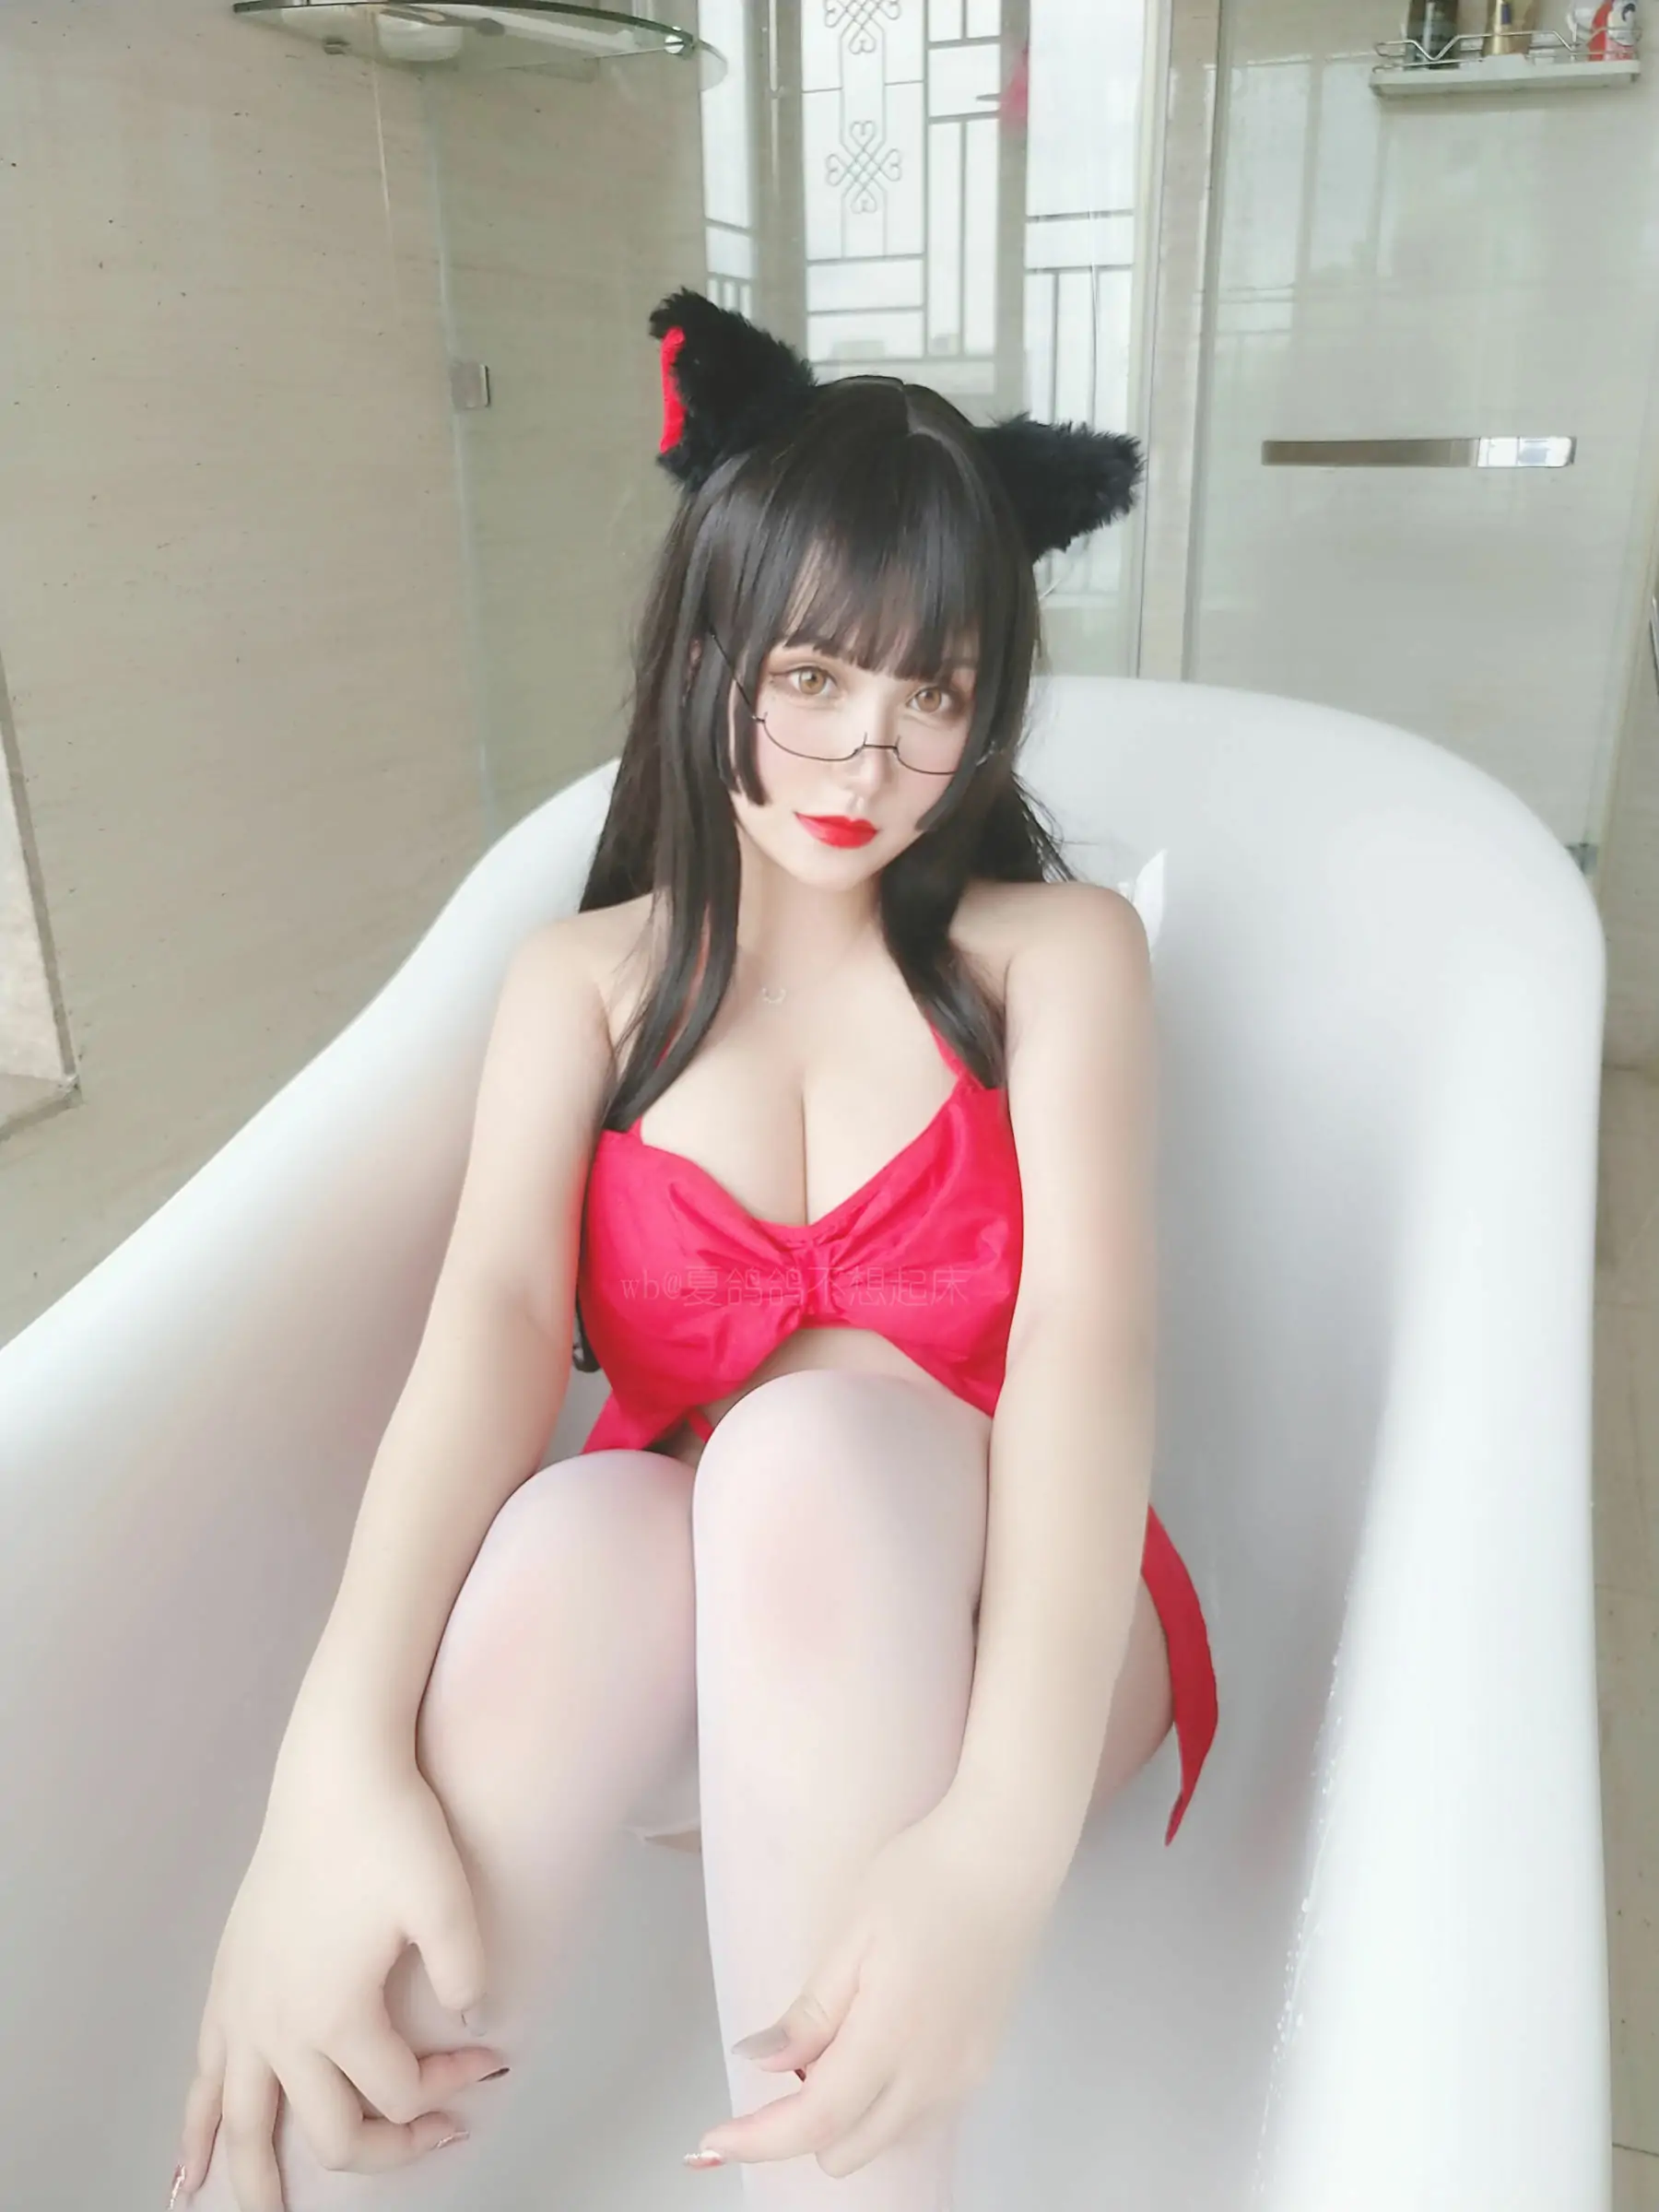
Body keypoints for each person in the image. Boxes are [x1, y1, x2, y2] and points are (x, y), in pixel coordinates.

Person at [166, 288, 1218, 2212]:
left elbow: (1088, 1350)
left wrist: (993, 1847)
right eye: (812, 675)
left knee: (801, 1452)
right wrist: (326, 1766)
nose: (866, 759)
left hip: (1026, 1635)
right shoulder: (581, 985)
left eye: (934, 695)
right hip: (698, 1633)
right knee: (584, 1526)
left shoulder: (1055, 959)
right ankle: (297, 2171)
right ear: (712, 647)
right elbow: (490, 1338)